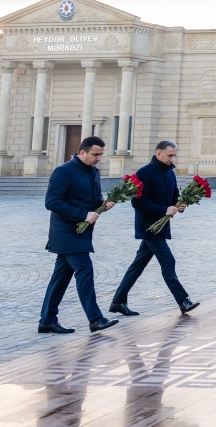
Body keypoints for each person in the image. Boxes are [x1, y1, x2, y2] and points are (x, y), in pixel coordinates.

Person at [38, 135, 118, 334]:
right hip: (65, 232)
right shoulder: (63, 172)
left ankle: (47, 320)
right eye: (94, 154)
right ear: (82, 152)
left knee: (60, 278)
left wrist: (102, 204)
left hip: (82, 232)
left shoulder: (94, 172)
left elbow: (91, 199)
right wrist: (83, 214)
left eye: (100, 154)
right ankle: (95, 319)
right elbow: (51, 202)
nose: (98, 158)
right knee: (85, 272)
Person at [109, 141, 199, 316]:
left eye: (174, 155)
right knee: (168, 261)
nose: (172, 159)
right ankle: (183, 301)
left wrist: (179, 205)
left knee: (138, 265)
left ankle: (118, 301)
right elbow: (137, 202)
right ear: (158, 154)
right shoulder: (144, 173)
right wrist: (163, 210)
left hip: (161, 226)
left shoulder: (170, 174)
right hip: (149, 227)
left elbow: (174, 198)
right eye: (169, 155)